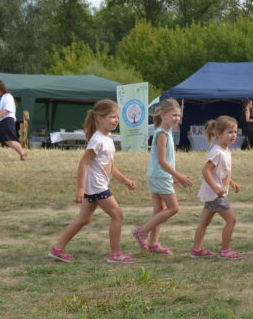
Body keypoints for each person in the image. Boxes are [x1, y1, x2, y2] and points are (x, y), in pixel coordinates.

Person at [49, 100, 137, 264]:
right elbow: (83, 163)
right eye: (112, 117)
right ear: (99, 118)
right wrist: (80, 188)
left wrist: (125, 180)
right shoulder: (97, 140)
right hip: (96, 186)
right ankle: (115, 254)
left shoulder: (107, 138)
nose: (116, 120)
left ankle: (57, 249)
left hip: (96, 186)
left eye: (117, 117)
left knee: (84, 219)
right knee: (117, 215)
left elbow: (109, 166)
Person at [133, 99, 194, 255]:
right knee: (173, 208)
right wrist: (179, 176)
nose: (177, 119)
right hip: (159, 176)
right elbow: (161, 161)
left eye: (179, 116)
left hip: (158, 176)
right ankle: (142, 232)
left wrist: (173, 177)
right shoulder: (161, 134)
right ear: (163, 114)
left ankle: (154, 244)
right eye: (174, 115)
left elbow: (164, 160)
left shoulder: (166, 132)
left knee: (158, 211)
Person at [190, 116, 242, 259]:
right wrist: (215, 188)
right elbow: (206, 171)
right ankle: (225, 250)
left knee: (204, 223)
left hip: (214, 194)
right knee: (231, 220)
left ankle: (196, 249)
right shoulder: (217, 152)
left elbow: (223, 172)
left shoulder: (226, 151)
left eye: (235, 132)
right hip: (216, 195)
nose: (233, 135)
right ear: (218, 133)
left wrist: (231, 182)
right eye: (229, 132)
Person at [0, 80, 27, 161]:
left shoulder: (7, 96)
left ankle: (22, 153)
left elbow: (7, 109)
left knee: (9, 140)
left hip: (5, 120)